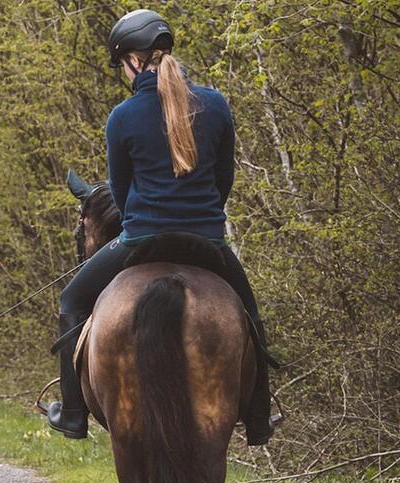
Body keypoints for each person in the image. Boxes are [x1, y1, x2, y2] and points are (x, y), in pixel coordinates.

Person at [45, 9, 280, 445]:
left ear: (132, 61)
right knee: (248, 314)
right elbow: (222, 181)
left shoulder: (123, 116)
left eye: (121, 65)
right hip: (207, 241)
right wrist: (200, 219)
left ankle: (73, 414)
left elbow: (121, 189)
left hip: (141, 240)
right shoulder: (215, 104)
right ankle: (260, 416)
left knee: (73, 299)